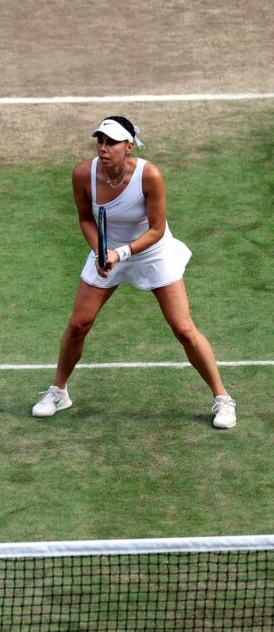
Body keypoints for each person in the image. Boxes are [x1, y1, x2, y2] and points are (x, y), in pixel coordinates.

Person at [31, 116, 237, 429]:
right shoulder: (83, 174)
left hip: (152, 251)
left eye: (111, 142)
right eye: (100, 141)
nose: (103, 148)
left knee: (183, 328)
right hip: (108, 251)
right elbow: (85, 219)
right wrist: (101, 251)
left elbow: (156, 229)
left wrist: (121, 252)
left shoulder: (149, 175)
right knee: (78, 324)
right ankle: (59, 392)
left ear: (129, 146)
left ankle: (223, 398)